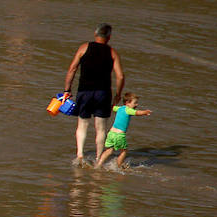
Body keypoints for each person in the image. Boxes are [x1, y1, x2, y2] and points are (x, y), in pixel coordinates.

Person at [63, 24, 125, 165]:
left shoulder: (84, 47)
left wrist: (67, 90)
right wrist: (118, 94)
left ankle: (79, 155)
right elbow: (120, 76)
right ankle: (98, 159)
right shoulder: (112, 52)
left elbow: (72, 69)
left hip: (84, 91)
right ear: (109, 37)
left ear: (95, 34)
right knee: (101, 128)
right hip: (103, 93)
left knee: (82, 125)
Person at [95, 92, 153, 169]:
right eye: (135, 103)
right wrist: (145, 112)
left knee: (108, 151)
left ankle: (99, 164)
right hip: (119, 135)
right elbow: (137, 113)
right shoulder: (128, 110)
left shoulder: (119, 108)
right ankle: (118, 167)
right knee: (124, 151)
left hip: (111, 133)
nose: (136, 105)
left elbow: (111, 107)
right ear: (127, 103)